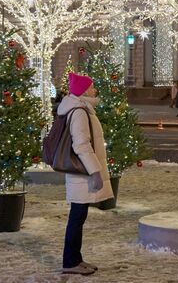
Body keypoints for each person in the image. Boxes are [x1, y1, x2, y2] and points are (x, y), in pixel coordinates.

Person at [57, 72, 113, 275]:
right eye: (92, 86)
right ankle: (70, 261)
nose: (95, 89)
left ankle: (75, 259)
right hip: (81, 173)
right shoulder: (79, 112)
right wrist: (95, 171)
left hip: (81, 173)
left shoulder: (80, 108)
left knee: (79, 217)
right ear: (83, 90)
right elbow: (81, 145)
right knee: (77, 216)